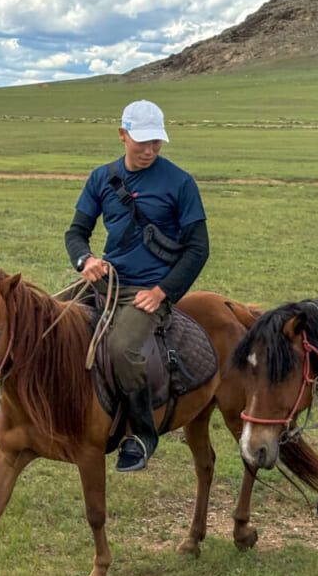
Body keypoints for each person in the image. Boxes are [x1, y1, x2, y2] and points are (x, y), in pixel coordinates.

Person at [65, 100, 210, 471]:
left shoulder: (179, 182)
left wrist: (163, 292)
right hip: (108, 282)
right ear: (122, 134)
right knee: (45, 316)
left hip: (149, 290)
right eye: (141, 141)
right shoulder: (101, 178)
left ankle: (141, 434)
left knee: (123, 347)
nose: (149, 150)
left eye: (156, 143)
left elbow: (198, 248)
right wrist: (86, 261)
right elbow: (77, 233)